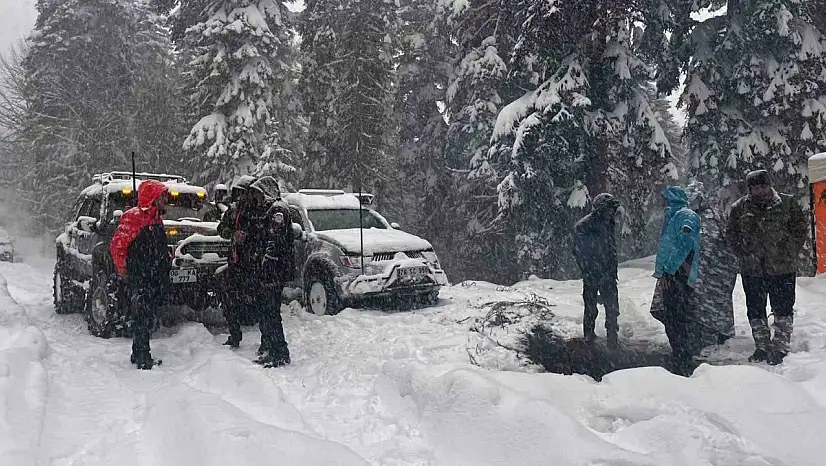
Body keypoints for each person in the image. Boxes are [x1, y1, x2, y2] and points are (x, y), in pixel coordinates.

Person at [727, 169, 807, 365]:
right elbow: (732, 234)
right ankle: (762, 346)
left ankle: (780, 347)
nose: (760, 191)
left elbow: (800, 229)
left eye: (763, 186)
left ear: (770, 185)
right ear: (750, 189)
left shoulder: (788, 204)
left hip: (783, 268)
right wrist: (744, 253)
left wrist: (788, 250)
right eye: (755, 187)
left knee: (783, 308)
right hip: (752, 269)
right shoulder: (739, 208)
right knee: (755, 310)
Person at [217, 176, 291, 366]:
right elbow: (223, 228)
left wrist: (264, 261)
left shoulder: (272, 210)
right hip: (245, 264)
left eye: (250, 193)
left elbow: (273, 242)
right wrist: (234, 234)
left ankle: (277, 350)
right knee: (261, 309)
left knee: (269, 311)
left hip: (263, 268)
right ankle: (267, 346)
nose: (246, 197)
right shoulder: (236, 211)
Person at [109, 180, 172, 370]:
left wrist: (166, 256)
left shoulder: (155, 219)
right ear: (153, 198)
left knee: (147, 314)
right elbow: (117, 246)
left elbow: (157, 246)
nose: (165, 200)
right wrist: (124, 271)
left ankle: (139, 352)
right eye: (162, 197)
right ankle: (142, 356)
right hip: (141, 274)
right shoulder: (134, 217)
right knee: (142, 315)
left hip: (154, 275)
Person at [652, 186, 701, 376]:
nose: (662, 202)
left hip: (679, 275)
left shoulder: (685, 215)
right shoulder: (674, 216)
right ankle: (679, 355)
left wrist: (669, 270)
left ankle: (683, 359)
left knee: (677, 317)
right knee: (673, 316)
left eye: (664, 198)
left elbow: (685, 243)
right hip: (674, 274)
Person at [685, 181, 738, 348]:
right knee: (704, 302)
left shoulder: (712, 216)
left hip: (718, 267)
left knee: (716, 301)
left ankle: (719, 333)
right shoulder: (690, 216)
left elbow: (713, 242)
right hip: (704, 268)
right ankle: (710, 334)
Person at [573, 193, 622, 349]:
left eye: (613, 209)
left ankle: (612, 337)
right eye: (609, 209)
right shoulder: (584, 225)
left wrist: (611, 268)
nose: (612, 212)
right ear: (600, 209)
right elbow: (578, 251)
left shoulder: (609, 223)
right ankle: (589, 336)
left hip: (607, 272)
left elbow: (609, 247)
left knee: (612, 306)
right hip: (592, 273)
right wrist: (589, 269)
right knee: (591, 306)